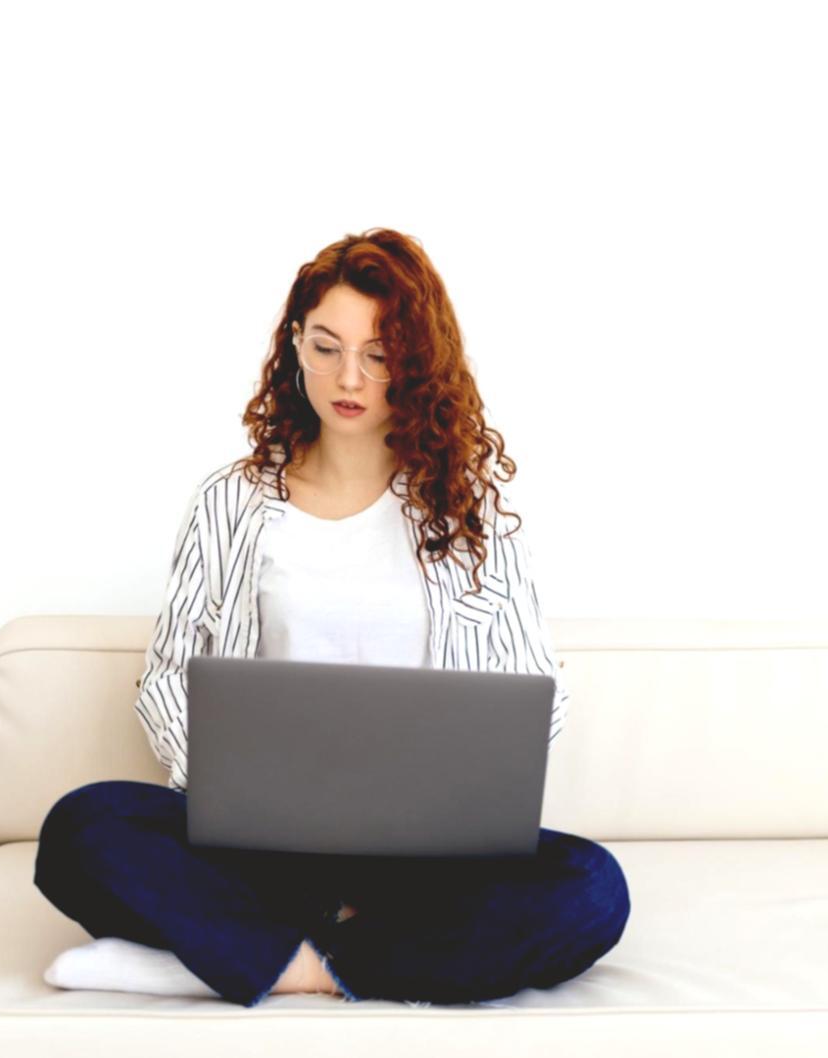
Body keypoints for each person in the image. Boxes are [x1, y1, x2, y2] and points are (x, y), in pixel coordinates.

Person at [33, 227, 630, 1007]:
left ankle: (251, 963)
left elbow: (532, 692)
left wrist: (458, 802)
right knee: (81, 828)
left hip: (422, 861)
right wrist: (225, 792)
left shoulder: (467, 509)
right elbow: (166, 681)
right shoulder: (231, 502)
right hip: (260, 848)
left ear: (414, 365)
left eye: (379, 355)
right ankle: (346, 957)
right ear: (294, 346)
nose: (349, 376)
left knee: (592, 889)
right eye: (326, 347)